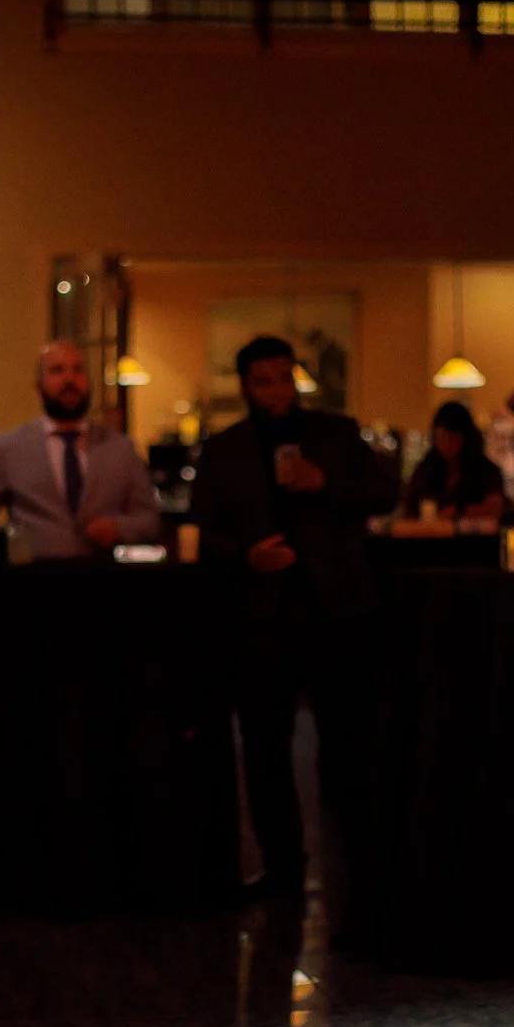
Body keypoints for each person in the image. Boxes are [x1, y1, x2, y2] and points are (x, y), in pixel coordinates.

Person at [189, 335, 399, 900]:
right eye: (265, 381)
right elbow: (202, 531)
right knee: (264, 748)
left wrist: (324, 483)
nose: (278, 391)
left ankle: (353, 871)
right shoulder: (225, 449)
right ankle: (282, 871)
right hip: (260, 617)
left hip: (335, 612)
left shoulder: (334, 434)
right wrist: (246, 557)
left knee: (346, 747)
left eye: (285, 378)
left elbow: (386, 490)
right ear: (246, 386)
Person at [0, 341, 162, 560]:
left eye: (78, 370)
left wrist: (119, 528)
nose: (69, 379)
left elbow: (150, 519)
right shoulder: (9, 449)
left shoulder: (121, 448)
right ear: (38, 386)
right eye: (57, 370)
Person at [399, 401, 505, 521]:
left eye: (452, 439)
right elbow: (408, 509)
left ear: (466, 438)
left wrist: (460, 512)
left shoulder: (485, 471)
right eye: (441, 438)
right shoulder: (426, 468)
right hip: (428, 536)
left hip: (473, 538)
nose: (447, 445)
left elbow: (494, 509)